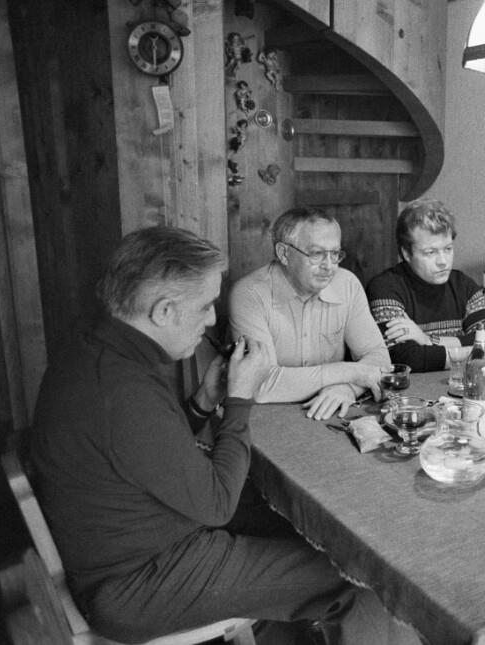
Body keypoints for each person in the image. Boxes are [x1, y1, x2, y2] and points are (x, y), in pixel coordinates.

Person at [28, 227, 357, 644]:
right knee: (351, 569)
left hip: (143, 538)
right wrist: (240, 398)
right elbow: (218, 503)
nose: (212, 319)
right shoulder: (121, 392)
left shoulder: (96, 351)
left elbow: (144, 451)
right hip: (141, 581)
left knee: (296, 518)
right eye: (204, 307)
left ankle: (293, 621)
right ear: (164, 311)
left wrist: (203, 402)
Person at [230, 207, 388, 420]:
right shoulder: (249, 294)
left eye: (335, 254)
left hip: (330, 414)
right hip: (266, 419)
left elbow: (378, 357)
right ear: (284, 254)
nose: (329, 266)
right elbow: (260, 383)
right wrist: (351, 372)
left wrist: (347, 388)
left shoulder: (347, 283)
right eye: (316, 254)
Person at [366, 198, 485, 372]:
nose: (443, 261)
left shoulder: (463, 285)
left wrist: (427, 340)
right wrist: (480, 353)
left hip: (460, 386)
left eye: (448, 249)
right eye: (430, 252)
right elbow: (406, 357)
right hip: (413, 388)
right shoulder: (385, 288)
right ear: (406, 253)